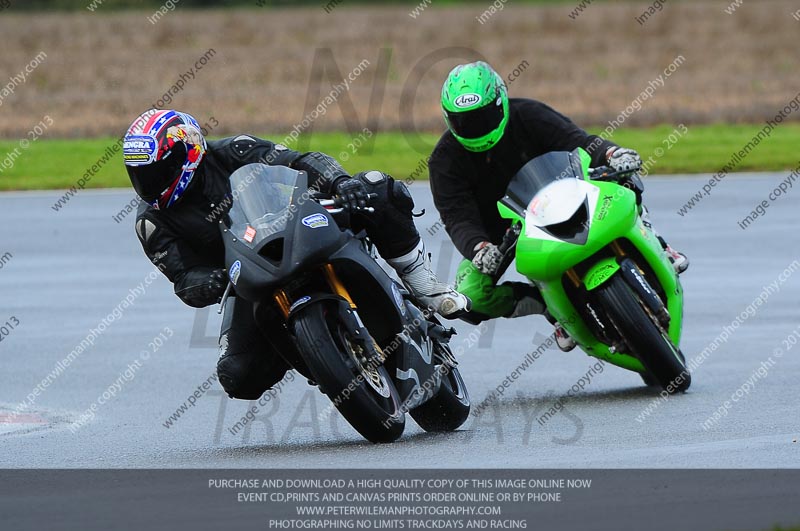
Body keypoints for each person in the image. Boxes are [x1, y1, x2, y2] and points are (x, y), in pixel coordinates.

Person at [123, 109, 468, 400]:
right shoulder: (150, 223)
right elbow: (183, 278)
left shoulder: (234, 150)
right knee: (238, 375)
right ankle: (314, 350)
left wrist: (339, 182)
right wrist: (207, 282)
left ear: (188, 152)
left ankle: (422, 283)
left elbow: (300, 161)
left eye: (156, 171)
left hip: (293, 225)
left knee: (376, 187)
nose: (148, 183)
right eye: (139, 175)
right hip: (245, 276)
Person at [428, 61, 688, 351]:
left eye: (482, 117)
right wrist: (479, 248)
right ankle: (549, 306)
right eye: (464, 121)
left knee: (620, 175)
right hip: (504, 234)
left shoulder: (529, 114)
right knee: (468, 298)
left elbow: (579, 142)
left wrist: (613, 153)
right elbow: (456, 216)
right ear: (448, 118)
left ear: (500, 103)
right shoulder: (443, 161)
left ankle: (656, 241)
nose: (474, 128)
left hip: (564, 193)